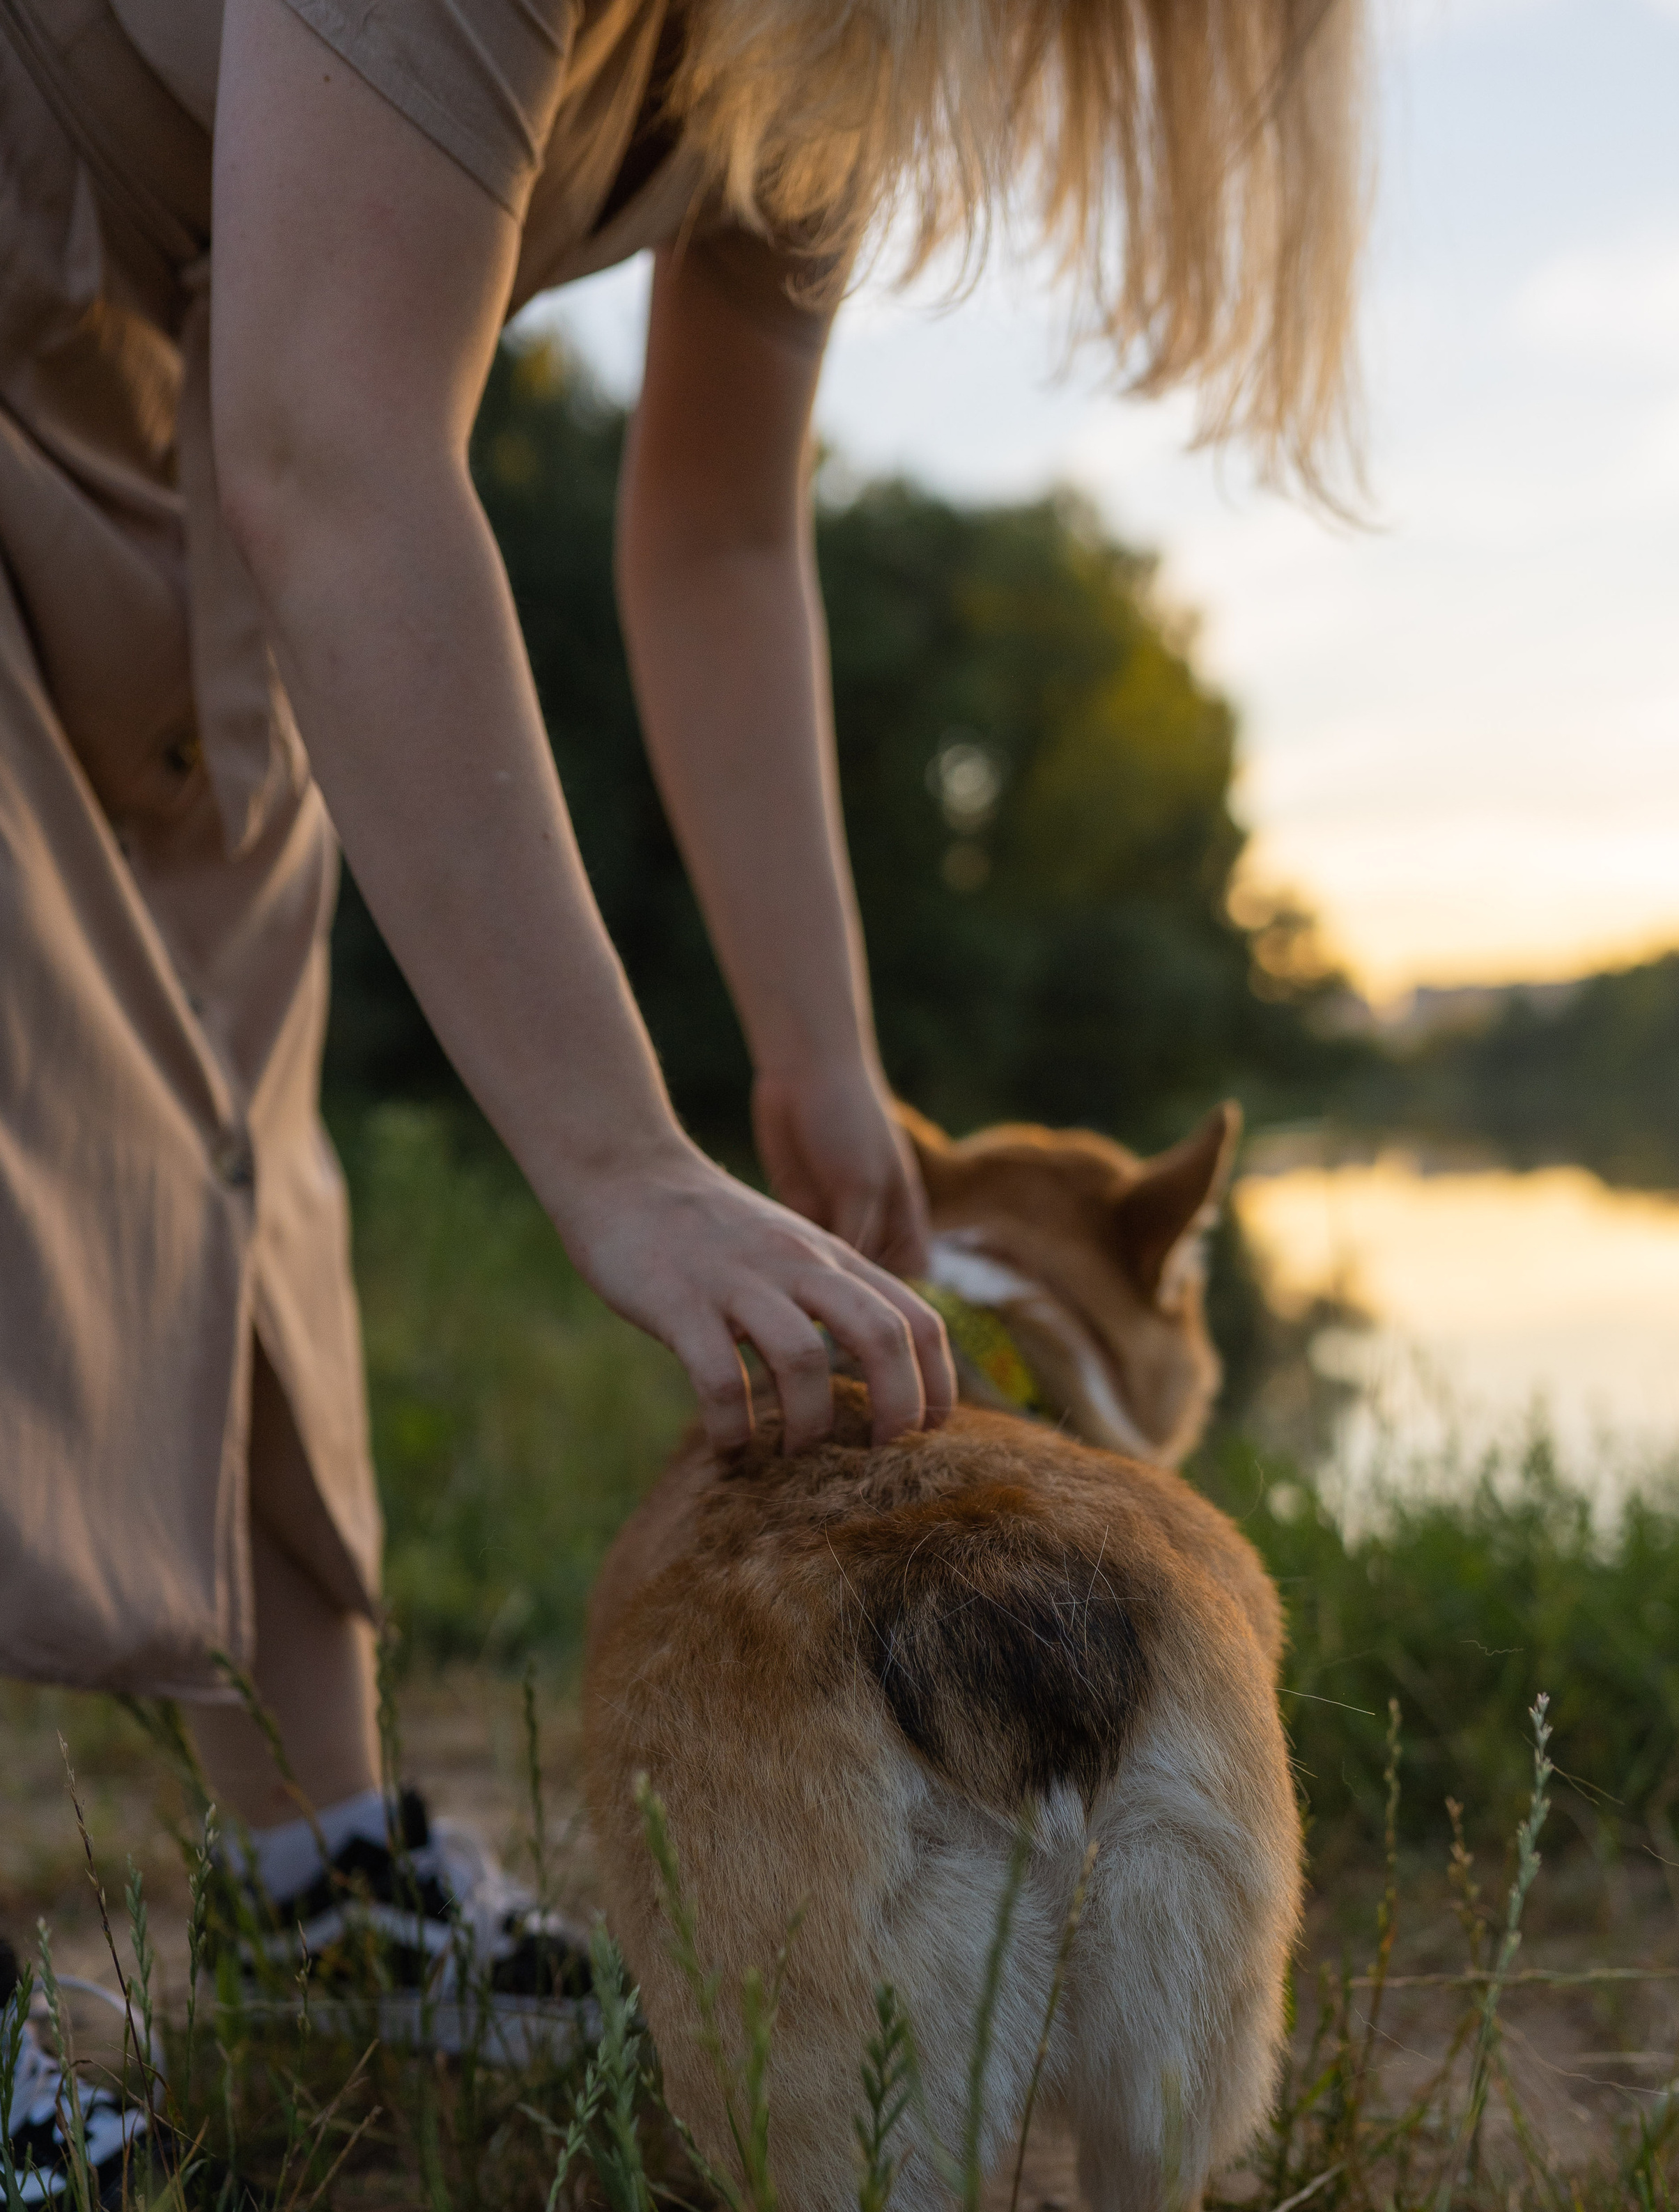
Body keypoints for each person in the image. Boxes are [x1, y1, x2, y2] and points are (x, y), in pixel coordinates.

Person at [0, 0, 1363, 2092]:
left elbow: (720, 533)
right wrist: (617, 1162)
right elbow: (342, 448)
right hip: (169, 333)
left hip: (176, 375)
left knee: (216, 1114)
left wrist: (817, 1057)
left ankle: (317, 1888)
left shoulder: (837, 37)